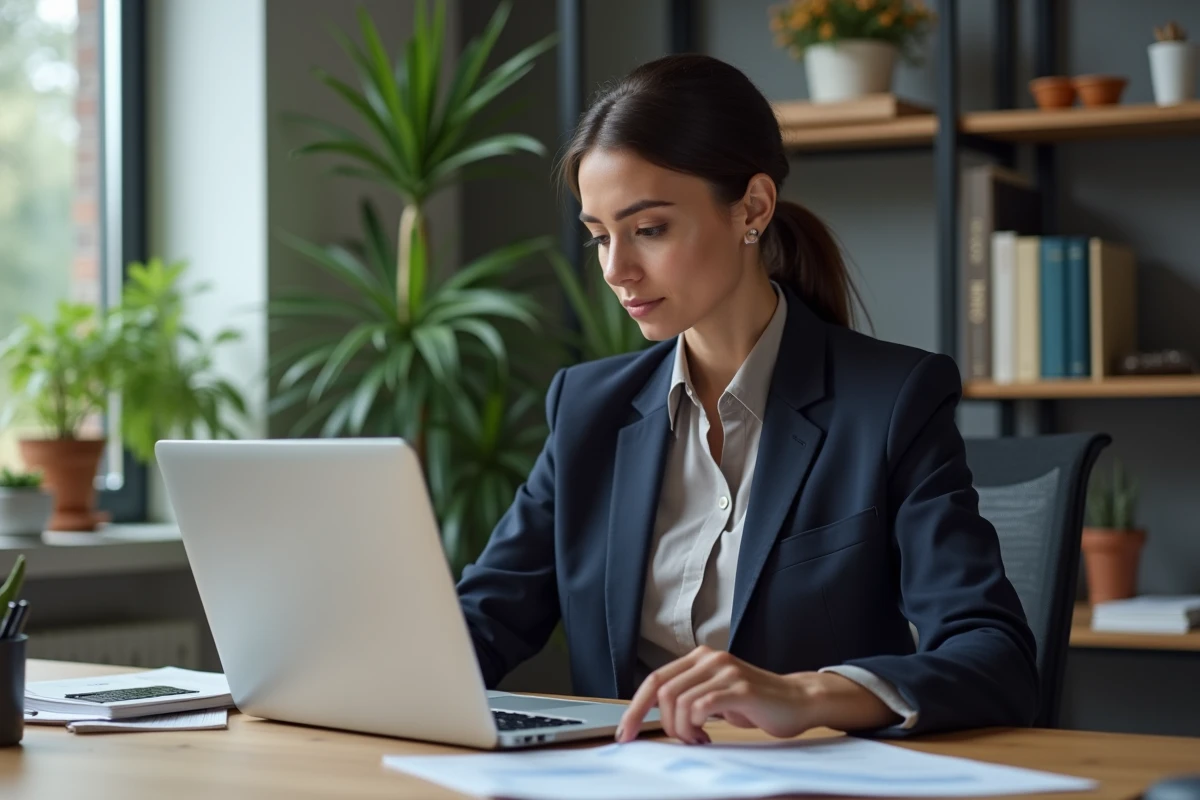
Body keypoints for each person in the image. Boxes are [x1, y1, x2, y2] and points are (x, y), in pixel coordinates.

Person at [455, 53, 1038, 745]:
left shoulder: (891, 403)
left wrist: (807, 693)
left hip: (807, 783)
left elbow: (994, 657)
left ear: (752, 209)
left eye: (649, 229)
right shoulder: (588, 407)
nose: (616, 270)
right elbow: (484, 619)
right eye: (599, 238)